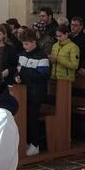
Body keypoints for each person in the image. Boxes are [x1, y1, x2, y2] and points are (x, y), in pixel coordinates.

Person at [16, 28, 50, 156]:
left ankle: (35, 144)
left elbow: (42, 76)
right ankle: (25, 142)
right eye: (23, 44)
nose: (25, 46)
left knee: (32, 119)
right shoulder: (22, 54)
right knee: (23, 118)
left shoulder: (42, 56)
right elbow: (18, 70)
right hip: (23, 92)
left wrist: (24, 73)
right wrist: (17, 76)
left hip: (36, 93)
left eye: (27, 44)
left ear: (34, 42)